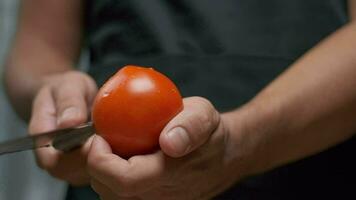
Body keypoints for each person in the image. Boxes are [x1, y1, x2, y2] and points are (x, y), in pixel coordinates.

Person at [4, 0, 356, 199]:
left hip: (308, 153)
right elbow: (37, 51)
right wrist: (51, 92)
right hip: (108, 176)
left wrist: (245, 143)